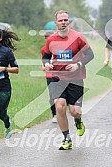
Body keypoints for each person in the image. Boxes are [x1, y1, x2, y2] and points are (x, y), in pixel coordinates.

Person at [42, 10, 94, 150]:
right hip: (57, 78)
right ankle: (66, 138)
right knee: (59, 106)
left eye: (65, 20)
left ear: (69, 21)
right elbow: (46, 56)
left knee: (75, 111)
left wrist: (78, 64)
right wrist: (46, 64)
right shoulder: (51, 39)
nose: (63, 23)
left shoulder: (78, 37)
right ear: (56, 23)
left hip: (75, 79)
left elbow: (90, 55)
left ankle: (78, 121)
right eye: (60, 20)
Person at [41, 31, 57, 123]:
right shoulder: (44, 49)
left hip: (61, 74)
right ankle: (54, 114)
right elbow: (43, 60)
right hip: (50, 74)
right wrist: (44, 67)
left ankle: (62, 108)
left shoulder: (60, 47)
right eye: (47, 38)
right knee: (52, 94)